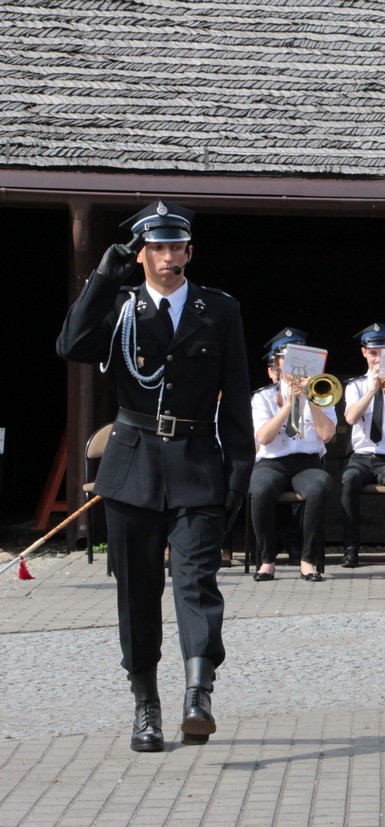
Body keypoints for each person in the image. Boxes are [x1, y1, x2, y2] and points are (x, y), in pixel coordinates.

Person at [55, 200, 253, 752]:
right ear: (140, 253)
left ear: (190, 251)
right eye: (157, 247)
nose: (169, 257)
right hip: (134, 461)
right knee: (137, 593)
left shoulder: (219, 310)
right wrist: (100, 279)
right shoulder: (118, 308)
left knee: (195, 583)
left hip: (196, 462)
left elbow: (235, 404)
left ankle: (198, 693)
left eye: (177, 247)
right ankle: (146, 706)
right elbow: (69, 343)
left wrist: (236, 478)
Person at [249, 329, 337, 583]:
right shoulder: (263, 397)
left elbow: (327, 434)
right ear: (277, 365)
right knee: (260, 489)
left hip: (307, 462)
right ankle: (267, 560)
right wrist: (288, 404)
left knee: (319, 487)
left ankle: (307, 561)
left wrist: (309, 399)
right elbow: (263, 438)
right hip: (272, 462)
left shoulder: (321, 393)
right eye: (287, 359)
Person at [339, 323, 385, 568]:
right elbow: (350, 418)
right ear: (364, 353)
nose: (378, 358)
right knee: (348, 481)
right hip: (361, 456)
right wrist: (372, 390)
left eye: (383, 352)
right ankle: (351, 548)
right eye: (373, 353)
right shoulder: (355, 386)